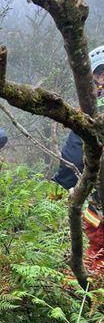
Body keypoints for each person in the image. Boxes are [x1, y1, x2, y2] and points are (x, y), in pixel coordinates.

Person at [54, 45, 104, 274]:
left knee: (97, 257)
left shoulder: (92, 113)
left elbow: (73, 154)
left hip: (100, 203)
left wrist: (61, 184)